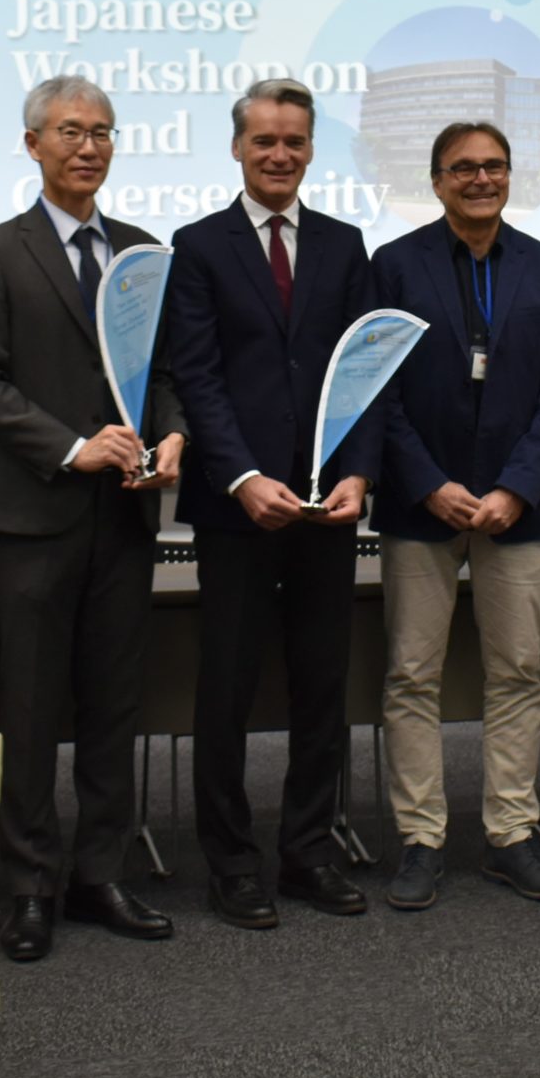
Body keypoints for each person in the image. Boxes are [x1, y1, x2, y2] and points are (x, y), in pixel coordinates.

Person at [0, 77, 186, 961]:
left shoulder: (141, 252)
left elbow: (163, 373)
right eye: (69, 132)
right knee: (29, 708)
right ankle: (26, 888)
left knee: (112, 707)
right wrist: (70, 447)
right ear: (31, 145)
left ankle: (101, 873)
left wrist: (173, 436)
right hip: (33, 519)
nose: (87, 147)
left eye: (101, 133)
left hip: (125, 519)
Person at [164, 78, 384, 929]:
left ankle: (309, 853)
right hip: (237, 510)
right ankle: (231, 863)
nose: (280, 155)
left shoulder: (343, 243)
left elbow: (366, 372)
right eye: (265, 142)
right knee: (225, 690)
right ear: (237, 149)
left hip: (328, 510)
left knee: (322, 689)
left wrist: (360, 472)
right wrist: (242, 479)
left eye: (294, 141)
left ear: (311, 149)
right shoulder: (199, 245)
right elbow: (198, 379)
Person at [371, 121, 540, 911]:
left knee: (519, 673)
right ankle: (420, 839)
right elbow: (378, 388)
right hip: (420, 507)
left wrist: (517, 487)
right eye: (464, 168)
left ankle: (511, 835)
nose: (481, 179)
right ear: (436, 181)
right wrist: (428, 483)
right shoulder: (394, 265)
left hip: (516, 509)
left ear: (510, 177)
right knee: (411, 676)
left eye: (494, 166)